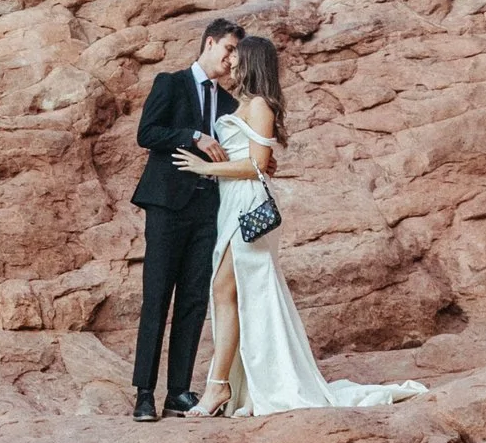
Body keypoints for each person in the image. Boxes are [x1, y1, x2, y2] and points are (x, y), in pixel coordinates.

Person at [177, 30, 426, 419]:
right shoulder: (243, 102)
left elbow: (257, 164)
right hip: (231, 202)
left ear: (252, 62)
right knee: (229, 292)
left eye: (237, 57)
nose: (231, 62)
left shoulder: (260, 105)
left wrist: (205, 166)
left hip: (249, 206)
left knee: (231, 289)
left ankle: (218, 387)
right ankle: (226, 385)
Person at [130, 20, 241, 420]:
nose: (231, 60)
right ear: (209, 43)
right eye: (227, 50)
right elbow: (148, 133)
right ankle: (144, 392)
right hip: (166, 206)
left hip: (208, 209)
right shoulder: (170, 83)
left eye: (235, 54)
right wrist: (193, 136)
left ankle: (178, 391)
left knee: (194, 300)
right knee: (157, 296)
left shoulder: (230, 104)